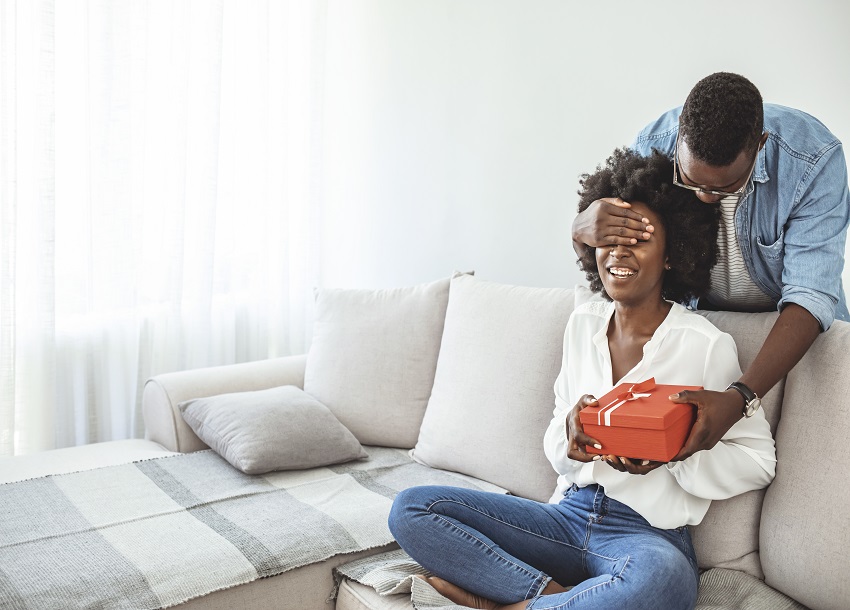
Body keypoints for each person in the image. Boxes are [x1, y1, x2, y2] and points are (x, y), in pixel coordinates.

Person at [388, 149, 776, 610]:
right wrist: (570, 437)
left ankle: (509, 602)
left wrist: (675, 455)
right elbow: (557, 441)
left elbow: (758, 460)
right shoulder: (582, 324)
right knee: (412, 509)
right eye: (610, 238)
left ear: (673, 254)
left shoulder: (704, 344)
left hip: (645, 535)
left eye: (639, 239)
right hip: (565, 518)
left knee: (666, 582)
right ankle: (553, 598)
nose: (619, 251)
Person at [571, 72, 850, 462]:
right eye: (691, 181)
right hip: (702, 319)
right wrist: (580, 230)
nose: (704, 197)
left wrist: (741, 396)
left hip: (791, 330)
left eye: (723, 188)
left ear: (760, 145)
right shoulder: (655, 144)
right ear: (679, 137)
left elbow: (810, 294)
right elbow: (625, 260)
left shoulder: (813, 158)